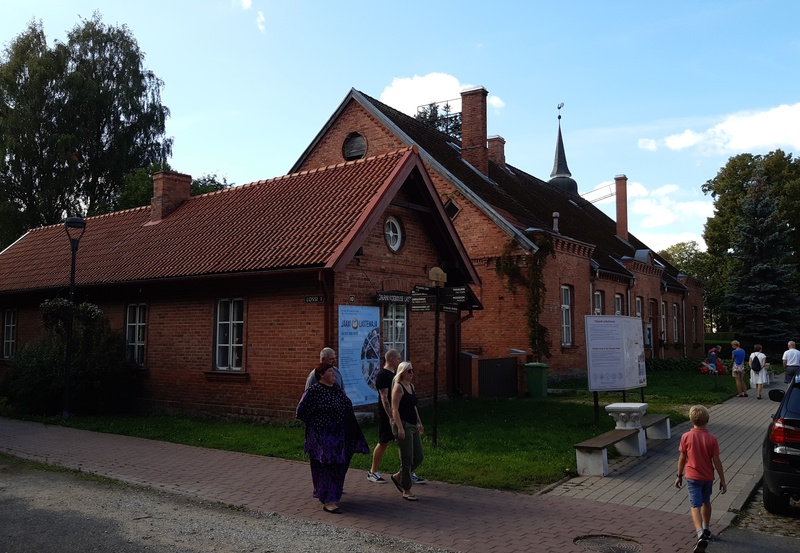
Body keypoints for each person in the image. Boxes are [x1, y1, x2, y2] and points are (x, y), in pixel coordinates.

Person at [296, 364, 369, 514]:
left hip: (339, 436)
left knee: (339, 465)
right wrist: (317, 425)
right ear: (321, 375)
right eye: (330, 371)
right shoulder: (313, 392)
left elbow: (346, 406)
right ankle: (329, 501)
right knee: (327, 466)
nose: (334, 374)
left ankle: (331, 494)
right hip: (322, 438)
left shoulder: (336, 389)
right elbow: (301, 411)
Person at [674, 405, 727, 553]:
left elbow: (682, 458)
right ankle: (706, 528)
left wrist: (679, 475)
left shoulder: (686, 437)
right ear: (707, 420)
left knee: (694, 505)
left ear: (691, 419)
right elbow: (716, 460)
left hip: (692, 476)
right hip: (707, 477)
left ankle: (699, 534)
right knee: (706, 501)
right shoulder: (712, 439)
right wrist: (722, 479)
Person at [389, 361, 424, 501]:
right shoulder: (398, 388)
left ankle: (399, 476)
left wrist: (419, 422)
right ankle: (406, 489)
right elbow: (394, 409)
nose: (412, 373)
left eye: (412, 370)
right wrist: (400, 428)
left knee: (419, 456)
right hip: (403, 424)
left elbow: (413, 406)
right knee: (407, 458)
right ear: (402, 372)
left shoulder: (411, 386)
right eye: (409, 371)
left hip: (413, 425)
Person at [367, 349, 401, 483]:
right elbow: (384, 397)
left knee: (403, 442)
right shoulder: (382, 375)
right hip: (387, 414)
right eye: (398, 358)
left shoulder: (396, 374)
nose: (400, 360)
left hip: (397, 412)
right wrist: (390, 416)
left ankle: (405, 471)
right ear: (391, 359)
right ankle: (372, 471)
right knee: (384, 441)